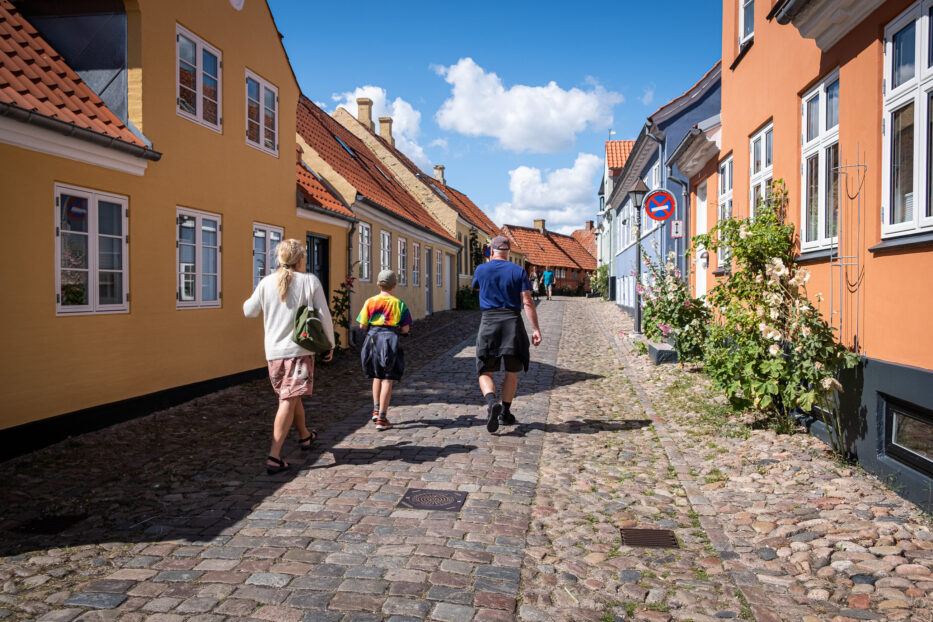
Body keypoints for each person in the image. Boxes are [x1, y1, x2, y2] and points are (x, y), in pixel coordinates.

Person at [243, 239, 335, 474]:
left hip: (273, 354)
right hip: (299, 352)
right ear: (300, 259)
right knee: (288, 400)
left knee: (291, 397)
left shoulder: (266, 283)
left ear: (279, 259)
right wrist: (329, 345)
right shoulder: (309, 281)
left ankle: (305, 436)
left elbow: (249, 311)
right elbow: (324, 316)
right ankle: (274, 456)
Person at [472, 236, 542, 433]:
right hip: (512, 324)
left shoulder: (481, 269)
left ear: (491, 251)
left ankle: (492, 401)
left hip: (489, 324)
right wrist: (535, 329)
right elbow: (527, 302)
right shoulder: (518, 271)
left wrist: (488, 265)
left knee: (485, 371)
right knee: (511, 372)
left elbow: (477, 286)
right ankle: (505, 412)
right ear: (509, 252)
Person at [358, 269, 412, 431]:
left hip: (372, 339)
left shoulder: (370, 301)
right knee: (388, 378)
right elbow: (405, 329)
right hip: (389, 340)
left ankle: (375, 409)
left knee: (376, 375)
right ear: (394, 285)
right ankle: (382, 417)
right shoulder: (399, 304)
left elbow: (362, 325)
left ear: (377, 284)